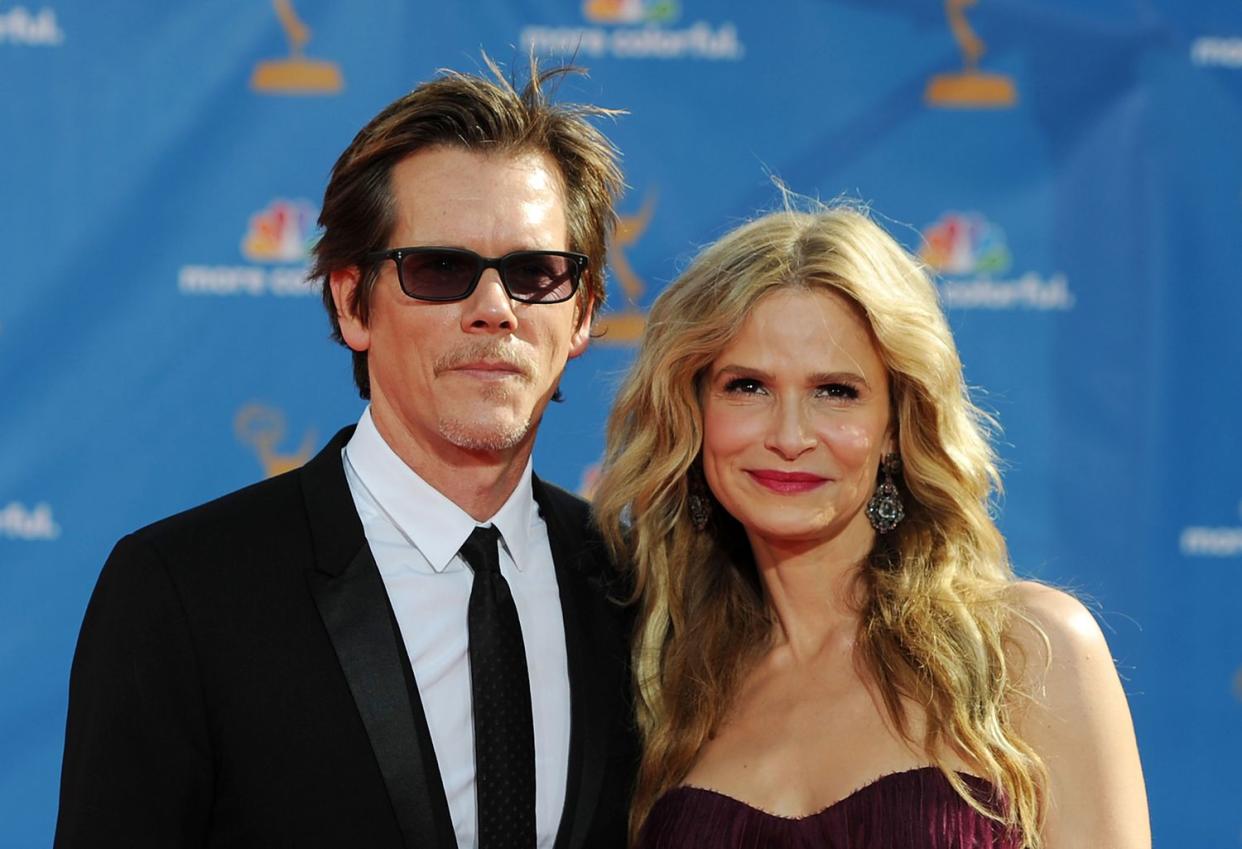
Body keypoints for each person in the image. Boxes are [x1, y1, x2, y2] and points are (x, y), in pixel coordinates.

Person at [55, 59, 636, 849]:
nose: (495, 309)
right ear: (352, 300)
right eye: (441, 268)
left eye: (537, 273)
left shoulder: (639, 587)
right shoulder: (183, 593)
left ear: (582, 316)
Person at [594, 205, 1149, 848]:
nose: (790, 436)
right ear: (692, 413)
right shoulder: (662, 689)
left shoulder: (1026, 651)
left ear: (894, 426)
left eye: (836, 391)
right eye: (747, 386)